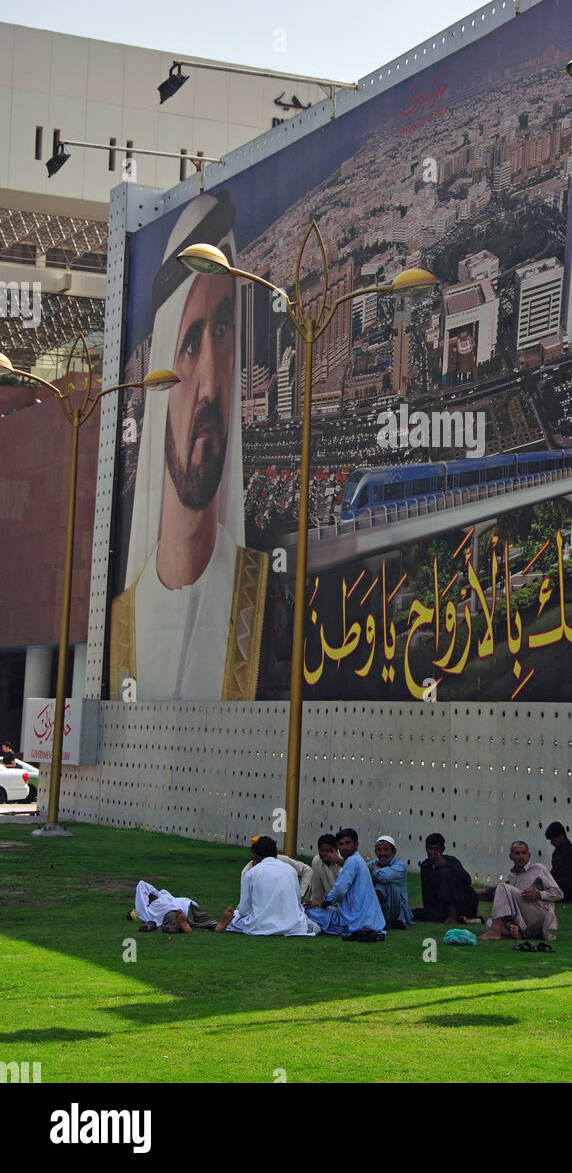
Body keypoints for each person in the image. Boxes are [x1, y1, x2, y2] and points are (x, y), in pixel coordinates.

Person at [110, 191, 269, 701]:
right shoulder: (124, 624)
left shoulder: (265, 600)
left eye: (223, 330)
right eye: (190, 343)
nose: (209, 384)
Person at [216, 835, 319, 937]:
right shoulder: (290, 870)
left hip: (260, 926)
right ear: (275, 854)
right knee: (311, 924)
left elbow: (243, 911)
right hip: (292, 925)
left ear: (257, 856)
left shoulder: (251, 873)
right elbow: (296, 902)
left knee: (235, 918)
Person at [305, 828, 386, 937]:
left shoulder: (351, 861)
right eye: (341, 844)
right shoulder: (356, 860)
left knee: (308, 911)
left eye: (348, 843)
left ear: (356, 845)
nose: (344, 847)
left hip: (353, 919)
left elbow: (339, 891)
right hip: (369, 919)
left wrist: (321, 905)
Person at [478, 841, 563, 942]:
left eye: (524, 853)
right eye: (517, 853)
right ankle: (518, 933)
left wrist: (539, 894)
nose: (521, 856)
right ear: (511, 856)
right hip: (523, 917)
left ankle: (495, 932)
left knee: (502, 887)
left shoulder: (539, 869)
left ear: (529, 855)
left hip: (539, 913)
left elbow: (559, 893)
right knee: (490, 922)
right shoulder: (512, 875)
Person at [413, 832, 480, 925]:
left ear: (442, 849)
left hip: (462, 904)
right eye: (430, 849)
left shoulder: (451, 861)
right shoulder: (426, 865)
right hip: (439, 907)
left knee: (447, 872)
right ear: (426, 849)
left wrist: (446, 865)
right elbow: (426, 892)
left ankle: (453, 916)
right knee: (413, 913)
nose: (433, 853)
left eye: (436, 849)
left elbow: (467, 880)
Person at [240, 835, 313, 901]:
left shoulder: (283, 862)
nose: (258, 862)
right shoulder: (247, 873)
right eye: (255, 859)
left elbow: (307, 870)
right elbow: (246, 901)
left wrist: (300, 896)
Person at [128, 881, 219, 933]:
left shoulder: (163, 895)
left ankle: (217, 926)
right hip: (172, 913)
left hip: (187, 906)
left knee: (203, 916)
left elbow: (145, 886)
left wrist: (155, 893)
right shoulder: (146, 911)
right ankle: (180, 926)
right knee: (172, 917)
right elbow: (141, 886)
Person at [367, 835, 413, 929]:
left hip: (398, 912)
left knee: (385, 884)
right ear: (375, 852)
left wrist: (371, 871)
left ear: (393, 852)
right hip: (381, 908)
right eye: (379, 850)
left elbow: (386, 876)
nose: (382, 853)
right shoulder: (371, 864)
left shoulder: (400, 866)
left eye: (386, 849)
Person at [544, 821, 572, 902]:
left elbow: (571, 881)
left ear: (561, 836)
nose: (551, 843)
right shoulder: (557, 853)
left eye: (553, 840)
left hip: (564, 893)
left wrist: (551, 881)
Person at [309, 834, 343, 905]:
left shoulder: (342, 861)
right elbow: (317, 891)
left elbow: (341, 891)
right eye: (322, 850)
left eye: (328, 851)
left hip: (344, 905)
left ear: (336, 849)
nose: (325, 854)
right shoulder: (316, 861)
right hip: (329, 906)